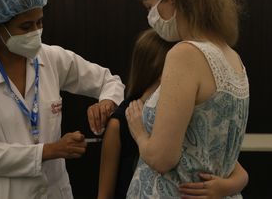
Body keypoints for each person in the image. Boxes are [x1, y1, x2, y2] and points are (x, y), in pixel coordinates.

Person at [0, 0, 124, 199]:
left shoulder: (51, 58)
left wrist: (106, 102)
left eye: (39, 22)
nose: (36, 32)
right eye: (26, 26)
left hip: (54, 191)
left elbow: (109, 80)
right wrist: (51, 150)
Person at [125, 0, 250, 198]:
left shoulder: (185, 54)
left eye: (151, 8)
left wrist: (139, 133)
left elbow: (162, 158)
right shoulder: (232, 56)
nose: (151, 18)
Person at [97, 29, 248, 199]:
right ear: (161, 71)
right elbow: (105, 193)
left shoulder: (185, 110)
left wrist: (223, 187)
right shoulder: (119, 123)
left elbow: (237, 170)